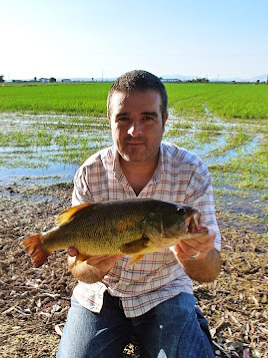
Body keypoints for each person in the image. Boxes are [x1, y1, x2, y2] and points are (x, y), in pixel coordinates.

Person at [56, 70, 222, 358]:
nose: (135, 131)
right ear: (109, 121)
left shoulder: (191, 171)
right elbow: (77, 268)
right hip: (101, 297)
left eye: (147, 117)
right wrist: (95, 266)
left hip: (165, 292)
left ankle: (190, 326)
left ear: (164, 120)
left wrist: (195, 254)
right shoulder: (90, 173)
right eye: (124, 119)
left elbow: (210, 272)